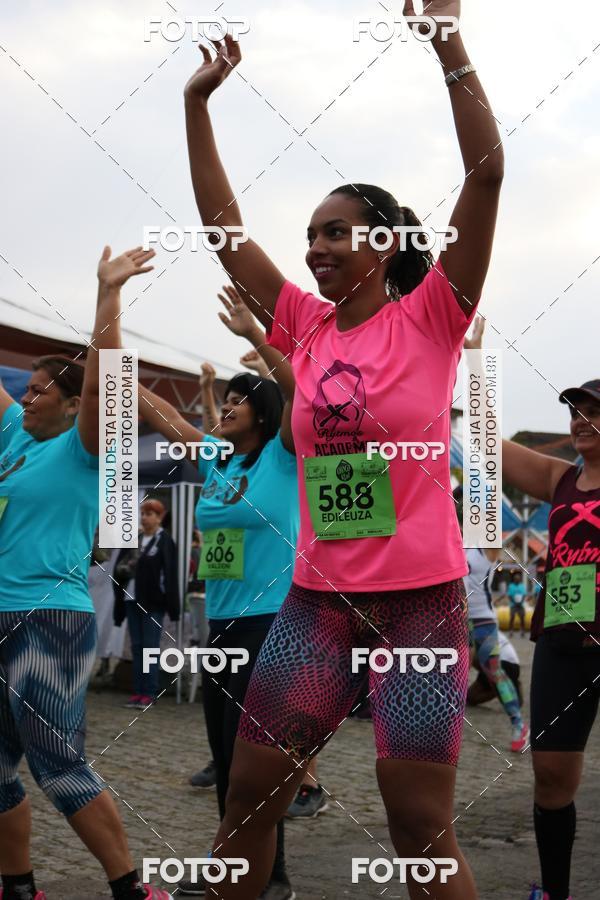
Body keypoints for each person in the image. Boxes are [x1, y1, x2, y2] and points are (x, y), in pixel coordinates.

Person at [183, 0, 504, 893]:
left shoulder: (434, 315)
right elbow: (223, 234)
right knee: (249, 800)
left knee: (416, 824)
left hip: (420, 608)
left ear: (386, 243)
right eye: (312, 234)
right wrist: (197, 107)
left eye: (336, 231)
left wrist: (447, 39)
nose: (316, 247)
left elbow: (485, 178)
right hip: (317, 603)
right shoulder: (304, 327)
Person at [0, 246, 170, 900]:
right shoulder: (18, 440)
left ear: (74, 406)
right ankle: (19, 885)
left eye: (43, 390)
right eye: (27, 389)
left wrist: (108, 295)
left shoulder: (82, 447)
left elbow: (104, 383)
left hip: (49, 619)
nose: (28, 398)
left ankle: (130, 887)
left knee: (59, 767)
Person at [138, 287, 298, 900]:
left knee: (251, 761)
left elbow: (297, 388)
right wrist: (119, 369)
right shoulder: (221, 462)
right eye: (224, 400)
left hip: (273, 622)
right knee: (228, 761)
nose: (225, 408)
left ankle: (243, 874)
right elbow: (172, 421)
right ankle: (260, 873)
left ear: (262, 411)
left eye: (237, 401)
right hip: (224, 627)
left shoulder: (282, 456)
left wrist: (257, 336)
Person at [501, 379, 600, 900]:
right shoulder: (560, 479)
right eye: (576, 411)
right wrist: (474, 366)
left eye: (594, 411)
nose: (581, 420)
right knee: (551, 775)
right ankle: (554, 892)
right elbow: (484, 443)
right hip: (562, 643)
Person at [113, 499, 180, 709]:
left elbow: (170, 574)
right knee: (137, 647)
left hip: (153, 603)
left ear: (159, 517)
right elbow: (118, 567)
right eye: (143, 513)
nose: (144, 517)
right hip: (131, 599)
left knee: (150, 648)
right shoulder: (135, 538)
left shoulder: (164, 540)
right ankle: (138, 691)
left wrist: (171, 603)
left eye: (149, 514)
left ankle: (149, 692)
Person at [464, 547, 529, 751]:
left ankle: (519, 725)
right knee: (453, 674)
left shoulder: (483, 549)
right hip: (458, 619)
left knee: (494, 672)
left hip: (483, 620)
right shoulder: (450, 545)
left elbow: (492, 518)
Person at [467, 628, 523, 708]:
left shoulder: (472, 627)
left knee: (468, 654)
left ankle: (501, 686)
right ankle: (503, 686)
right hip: (509, 664)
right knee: (470, 698)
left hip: (502, 663)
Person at [508, 571, 528, 637]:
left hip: (520, 604)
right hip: (513, 605)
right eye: (516, 579)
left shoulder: (522, 586)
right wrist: (514, 602)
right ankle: (511, 631)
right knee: (512, 617)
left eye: (518, 579)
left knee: (522, 618)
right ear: (514, 579)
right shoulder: (511, 586)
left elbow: (524, 595)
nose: (517, 580)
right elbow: (509, 596)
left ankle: (523, 631)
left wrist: (521, 602)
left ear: (520, 579)